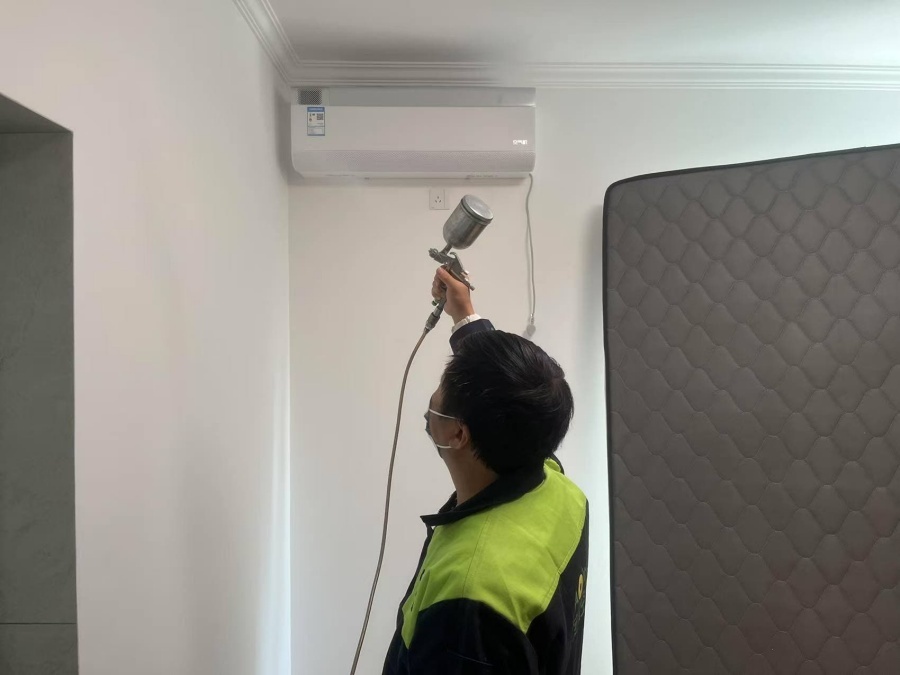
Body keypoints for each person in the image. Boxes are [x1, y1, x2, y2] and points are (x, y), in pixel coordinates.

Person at [382, 267, 589, 674]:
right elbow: (514, 394)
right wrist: (465, 315)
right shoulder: (556, 486)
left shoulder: (467, 604)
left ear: (458, 433)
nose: (432, 399)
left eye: (440, 389)